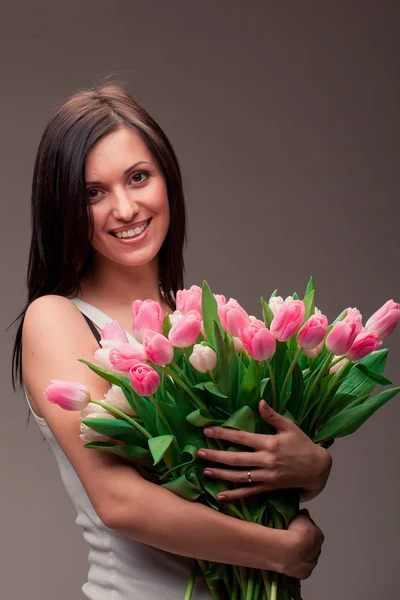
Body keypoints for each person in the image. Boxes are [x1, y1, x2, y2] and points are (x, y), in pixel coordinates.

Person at [11, 83, 330, 599]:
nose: (125, 208)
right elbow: (120, 501)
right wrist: (277, 552)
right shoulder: (56, 318)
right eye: (93, 192)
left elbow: (242, 476)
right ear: (63, 207)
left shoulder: (205, 327)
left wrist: (313, 466)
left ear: (168, 181)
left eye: (139, 178)